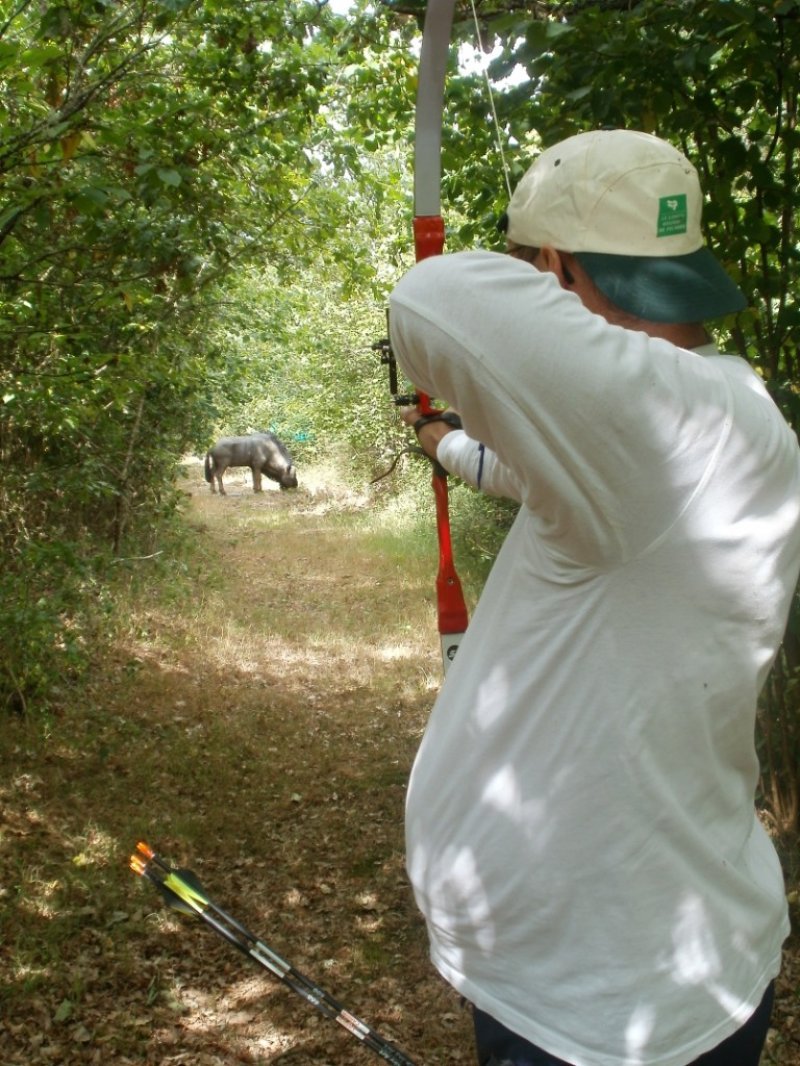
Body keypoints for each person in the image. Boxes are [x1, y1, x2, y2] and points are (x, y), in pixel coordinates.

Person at [388, 129, 800, 1066]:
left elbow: (429, 296)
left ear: (560, 269)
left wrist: (532, 274)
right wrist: (444, 443)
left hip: (594, 1005)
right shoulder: (727, 412)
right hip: (659, 962)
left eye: (536, 268)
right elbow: (526, 474)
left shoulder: (669, 423)